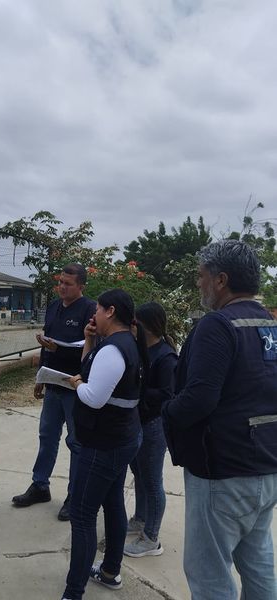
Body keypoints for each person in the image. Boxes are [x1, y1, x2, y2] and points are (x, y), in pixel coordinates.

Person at [162, 240, 277, 600]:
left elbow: (199, 399)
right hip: (266, 468)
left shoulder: (218, 325)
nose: (199, 284)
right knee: (258, 563)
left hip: (223, 473)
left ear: (221, 280)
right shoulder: (269, 325)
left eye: (201, 276)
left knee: (208, 574)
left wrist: (165, 412)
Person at [61, 289, 149, 600]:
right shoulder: (124, 343)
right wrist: (89, 342)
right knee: (112, 504)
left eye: (97, 309)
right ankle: (110, 571)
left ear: (110, 311)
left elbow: (94, 396)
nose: (93, 314)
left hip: (104, 443)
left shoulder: (114, 349)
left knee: (82, 514)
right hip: (121, 437)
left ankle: (73, 593)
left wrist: (76, 384)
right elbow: (94, 373)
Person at [12, 263, 96, 521]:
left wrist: (59, 350)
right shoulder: (53, 307)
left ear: (81, 286)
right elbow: (47, 345)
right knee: (47, 436)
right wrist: (40, 376)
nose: (62, 287)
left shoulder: (90, 310)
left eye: (68, 283)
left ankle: (75, 495)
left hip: (75, 386)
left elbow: (90, 349)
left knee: (76, 442)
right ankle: (40, 486)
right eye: (60, 282)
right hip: (52, 384)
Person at [123, 302, 177, 557]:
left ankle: (151, 538)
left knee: (153, 481)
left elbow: (167, 395)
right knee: (140, 474)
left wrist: (138, 390)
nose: (132, 328)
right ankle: (140, 519)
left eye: (136, 324)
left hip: (154, 425)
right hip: (138, 422)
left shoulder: (166, 357)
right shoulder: (141, 348)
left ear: (148, 327)